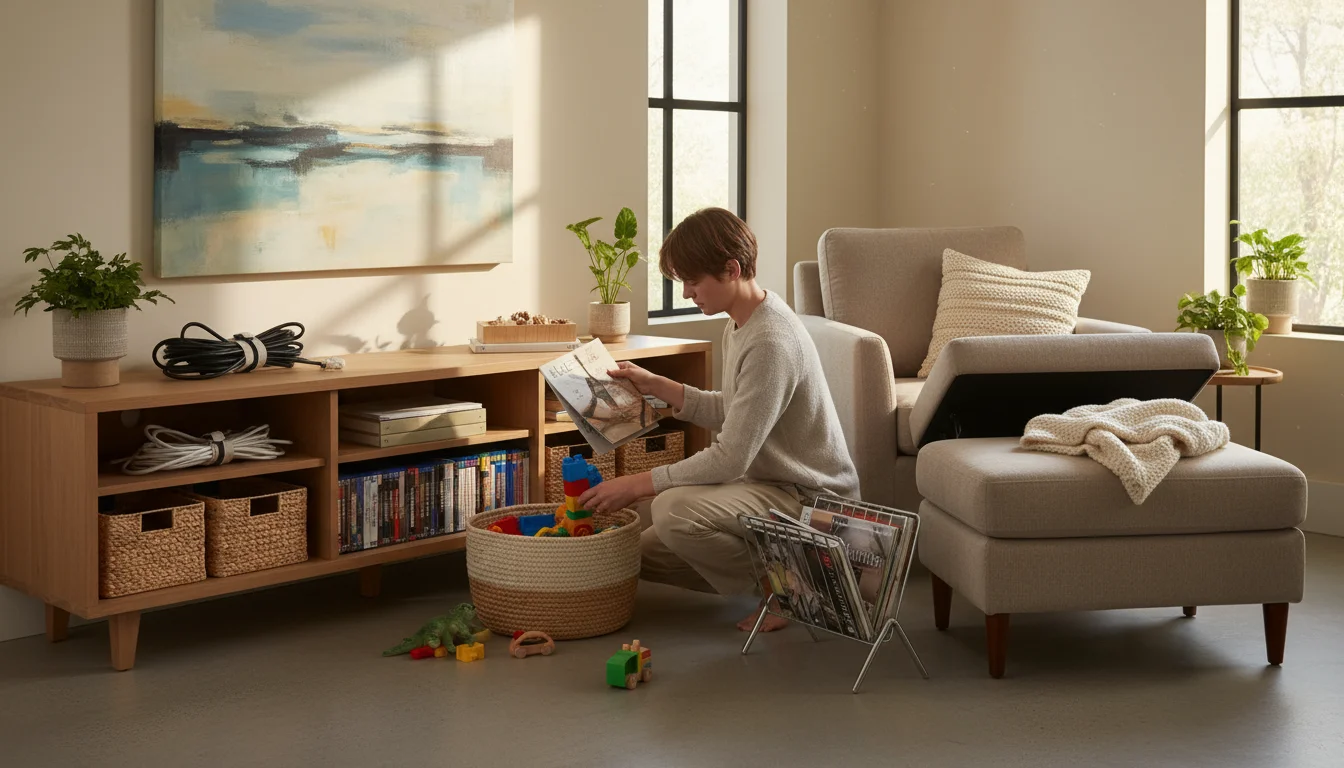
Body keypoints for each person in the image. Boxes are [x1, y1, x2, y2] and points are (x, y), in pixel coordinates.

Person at [577, 207, 860, 632]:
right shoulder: (743, 320)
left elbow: (731, 458)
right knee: (635, 551)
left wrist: (636, 485)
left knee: (672, 509)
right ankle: (788, 574)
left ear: (731, 269)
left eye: (693, 281)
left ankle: (792, 588)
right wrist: (658, 384)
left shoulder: (771, 340)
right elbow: (738, 408)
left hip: (809, 500)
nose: (688, 293)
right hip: (768, 487)